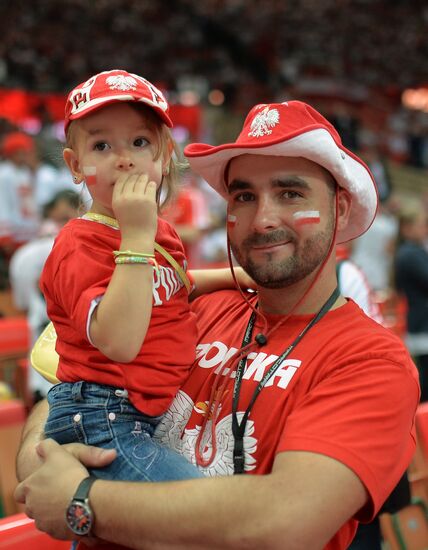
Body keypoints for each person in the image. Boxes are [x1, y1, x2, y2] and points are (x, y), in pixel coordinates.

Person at [16, 100, 419, 550]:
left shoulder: (370, 361)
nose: (263, 219)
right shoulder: (193, 306)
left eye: (291, 193)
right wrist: (45, 456)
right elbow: (70, 377)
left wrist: (82, 500)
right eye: (244, 196)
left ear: (340, 210)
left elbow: (287, 521)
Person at [34, 69, 252, 487]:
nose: (125, 158)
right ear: (75, 166)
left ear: (164, 155)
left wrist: (238, 275)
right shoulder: (79, 243)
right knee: (202, 505)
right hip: (103, 416)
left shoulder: (160, 232)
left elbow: (173, 286)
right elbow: (119, 340)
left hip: (146, 412)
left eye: (140, 142)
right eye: (102, 145)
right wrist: (135, 236)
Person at [9, 190, 83, 401]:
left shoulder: (25, 254)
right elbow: (22, 304)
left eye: (62, 218)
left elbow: (21, 304)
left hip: (72, 363)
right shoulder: (27, 255)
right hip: (48, 355)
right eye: (55, 217)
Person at [394, 198, 428, 402]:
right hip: (421, 325)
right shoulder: (409, 254)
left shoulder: (415, 251)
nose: (425, 229)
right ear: (406, 228)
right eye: (421, 224)